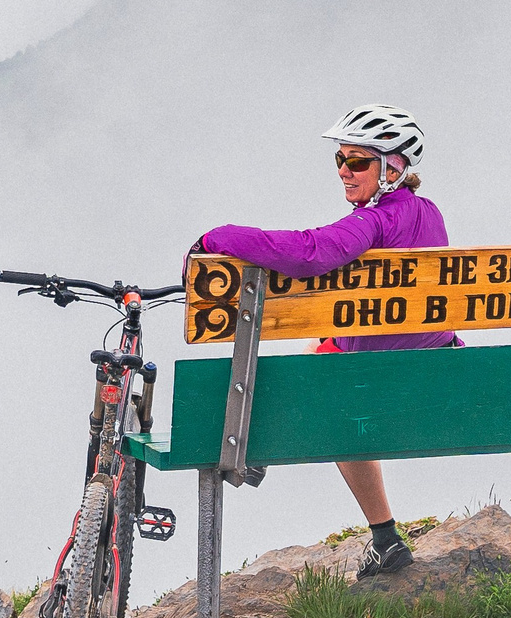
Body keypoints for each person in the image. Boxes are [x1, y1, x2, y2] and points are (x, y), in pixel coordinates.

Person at [189, 104, 456, 577]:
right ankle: (385, 540)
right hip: (436, 368)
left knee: (329, 390)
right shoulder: (427, 214)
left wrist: (218, 236)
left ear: (392, 167)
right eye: (340, 160)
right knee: (321, 352)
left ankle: (256, 446)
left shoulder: (376, 221)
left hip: (379, 383)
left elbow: (311, 252)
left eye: (357, 162)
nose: (344, 173)